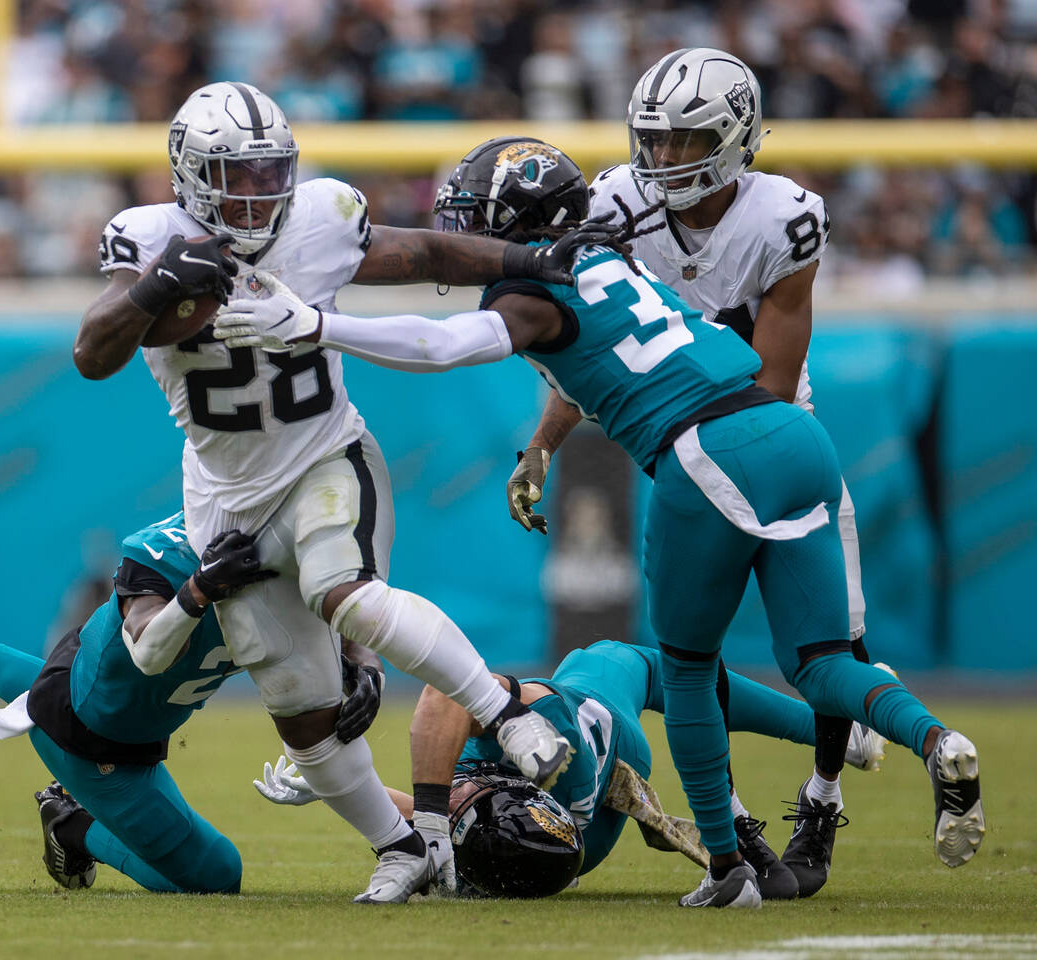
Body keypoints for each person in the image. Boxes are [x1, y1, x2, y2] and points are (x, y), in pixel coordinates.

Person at [216, 135, 986, 909]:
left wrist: (318, 325)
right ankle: (937, 741)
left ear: (517, 221)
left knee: (684, 670)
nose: (463, 232)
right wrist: (542, 447)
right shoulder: (612, 255)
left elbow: (443, 345)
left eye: (478, 216)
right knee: (821, 662)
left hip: (703, 451)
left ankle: (727, 869)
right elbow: (603, 357)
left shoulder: (530, 295)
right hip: (792, 430)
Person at [72, 82, 618, 904]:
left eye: (267, 174)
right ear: (189, 175)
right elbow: (92, 352)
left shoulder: (320, 217)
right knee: (301, 710)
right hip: (227, 496)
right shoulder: (151, 238)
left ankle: (504, 714)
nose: (255, 195)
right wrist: (154, 288)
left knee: (347, 597)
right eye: (235, 175)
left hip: (327, 455)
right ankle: (402, 848)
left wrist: (526, 261)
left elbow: (428, 254)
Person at [516, 47, 882, 898]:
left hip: (773, 439)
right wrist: (541, 443)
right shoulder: (609, 204)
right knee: (689, 650)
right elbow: (589, 348)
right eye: (657, 140)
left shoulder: (782, 217)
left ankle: (821, 798)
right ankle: (733, 829)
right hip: (680, 453)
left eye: (689, 141)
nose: (668, 159)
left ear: (739, 137)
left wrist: (698, 455)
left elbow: (776, 385)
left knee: (836, 643)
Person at [0, 511, 381, 895]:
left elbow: (349, 597)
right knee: (218, 875)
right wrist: (200, 590)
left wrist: (366, 663)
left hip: (94, 690)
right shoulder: (171, 550)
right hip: (99, 746)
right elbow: (147, 639)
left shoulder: (295, 549)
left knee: (51, 689)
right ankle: (71, 824)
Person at [254, 639, 888, 898]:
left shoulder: (518, 837)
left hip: (579, 840)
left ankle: (831, 741)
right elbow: (444, 691)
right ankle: (837, 729)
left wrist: (342, 787)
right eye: (467, 797)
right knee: (641, 663)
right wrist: (435, 818)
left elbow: (454, 824)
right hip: (599, 734)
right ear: (508, 785)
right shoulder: (555, 756)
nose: (458, 794)